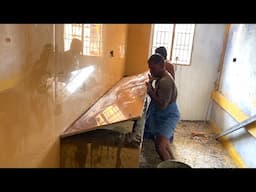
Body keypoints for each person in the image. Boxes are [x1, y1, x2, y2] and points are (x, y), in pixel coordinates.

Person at [144, 53, 180, 161]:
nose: (151, 71)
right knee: (165, 144)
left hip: (168, 115)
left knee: (160, 146)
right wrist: (152, 82)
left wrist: (150, 91)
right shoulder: (162, 76)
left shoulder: (165, 82)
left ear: (161, 66)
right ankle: (173, 163)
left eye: (153, 68)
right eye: (150, 68)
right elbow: (160, 96)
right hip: (164, 113)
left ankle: (168, 164)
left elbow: (162, 105)